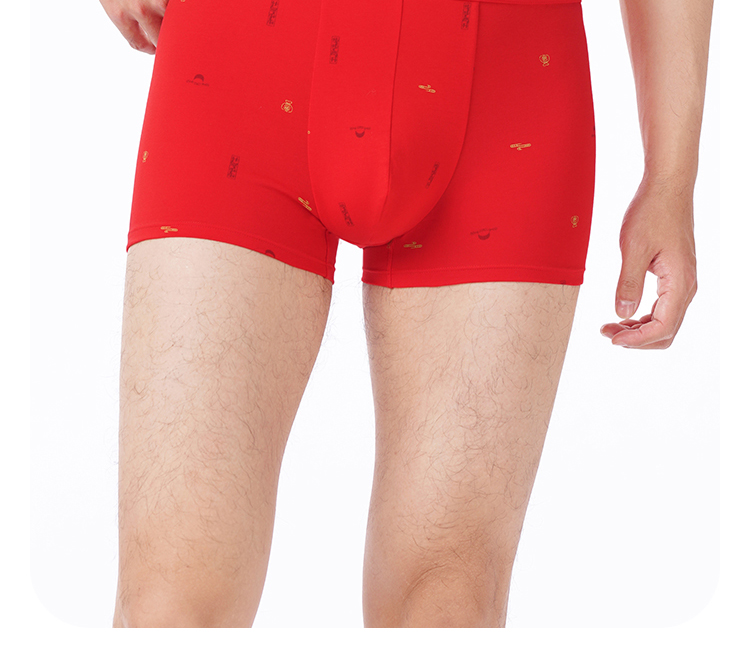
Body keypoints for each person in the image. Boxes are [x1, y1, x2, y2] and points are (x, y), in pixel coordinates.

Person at [99, 0, 712, 627]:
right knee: (167, 602)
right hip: (245, 57)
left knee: (449, 600)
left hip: (507, 84)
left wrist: (672, 177)